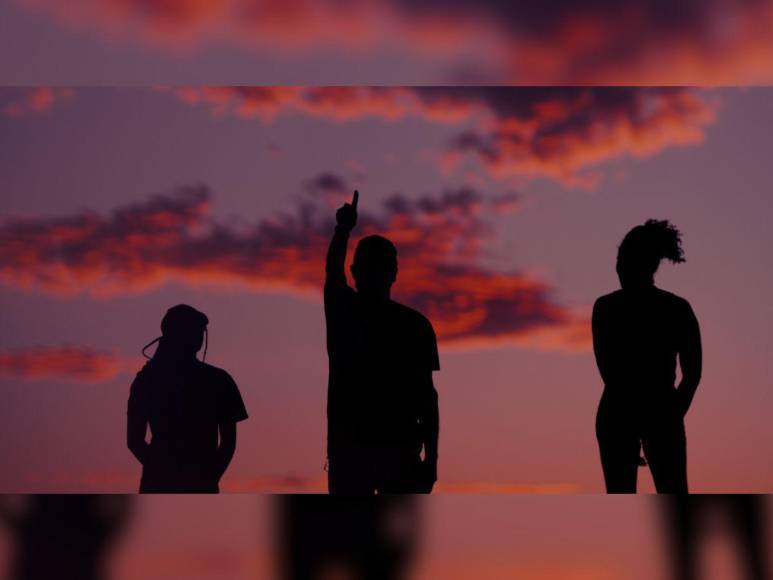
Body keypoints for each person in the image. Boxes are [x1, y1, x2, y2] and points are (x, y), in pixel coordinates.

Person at [324, 190, 440, 494]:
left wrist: (431, 461)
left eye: (379, 267)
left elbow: (428, 399)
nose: (374, 275)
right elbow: (428, 400)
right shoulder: (346, 312)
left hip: (389, 456)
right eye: (371, 267)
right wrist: (432, 461)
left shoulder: (411, 325)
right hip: (358, 455)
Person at [593, 219, 702, 493]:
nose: (618, 267)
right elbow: (692, 374)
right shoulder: (675, 308)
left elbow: (692, 373)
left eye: (623, 260)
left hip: (627, 414)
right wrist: (669, 414)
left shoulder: (608, 308)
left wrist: (670, 416)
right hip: (630, 415)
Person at [127, 304, 248, 493]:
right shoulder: (218, 379)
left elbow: (134, 441)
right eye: (196, 330)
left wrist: (161, 469)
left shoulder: (145, 379)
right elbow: (228, 442)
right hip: (176, 482)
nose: (200, 335)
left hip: (168, 482)